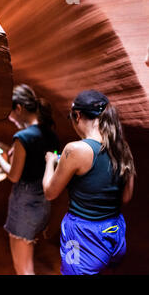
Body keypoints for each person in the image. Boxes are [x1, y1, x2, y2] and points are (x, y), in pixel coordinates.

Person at [42, 90, 135, 275]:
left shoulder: (75, 149)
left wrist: (50, 163)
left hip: (82, 236)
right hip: (114, 232)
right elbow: (126, 197)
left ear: (77, 115)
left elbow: (50, 193)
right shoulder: (123, 148)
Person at [0, 84, 59, 275]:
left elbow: (14, 175)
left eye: (10, 113)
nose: (11, 119)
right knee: (28, 260)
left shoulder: (22, 137)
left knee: (23, 268)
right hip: (43, 202)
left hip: (24, 201)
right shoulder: (52, 134)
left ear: (18, 108)